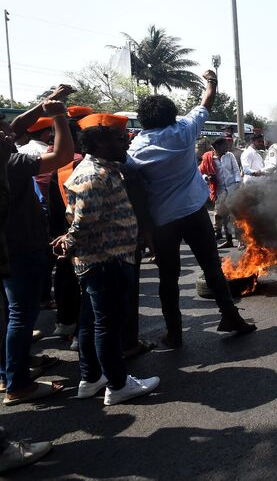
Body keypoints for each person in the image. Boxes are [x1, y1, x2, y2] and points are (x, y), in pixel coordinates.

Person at [127, 70, 255, 348]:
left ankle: (174, 333)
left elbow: (134, 187)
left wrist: (144, 227)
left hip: (162, 222)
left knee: (168, 278)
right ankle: (231, 317)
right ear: (171, 115)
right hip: (194, 213)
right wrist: (211, 80)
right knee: (211, 268)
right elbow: (207, 100)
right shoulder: (183, 130)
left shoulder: (134, 149)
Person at [52, 113, 160, 405]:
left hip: (107, 259)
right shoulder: (93, 175)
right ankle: (118, 383)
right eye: (119, 138)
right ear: (99, 142)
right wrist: (68, 243)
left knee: (90, 322)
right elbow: (84, 222)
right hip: (105, 262)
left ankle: (91, 378)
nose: (126, 142)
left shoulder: (107, 168)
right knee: (107, 325)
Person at [2, 96, 75, 405]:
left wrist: (43, 104)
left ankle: (9, 373)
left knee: (6, 315)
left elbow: (18, 126)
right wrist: (59, 116)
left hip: (7, 248)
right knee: (21, 315)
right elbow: (62, 155)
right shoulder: (11, 162)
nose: (9, 131)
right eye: (2, 130)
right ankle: (18, 384)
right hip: (21, 246)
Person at [210, 138, 242, 248]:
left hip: (232, 188)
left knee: (236, 216)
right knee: (224, 217)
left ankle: (241, 241)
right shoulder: (210, 158)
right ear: (217, 147)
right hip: (220, 191)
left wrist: (238, 183)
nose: (227, 148)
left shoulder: (230, 156)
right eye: (224, 146)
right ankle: (228, 240)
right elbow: (202, 171)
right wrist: (207, 177)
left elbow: (236, 171)